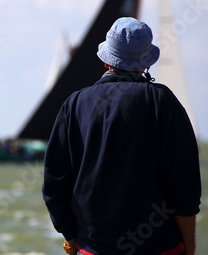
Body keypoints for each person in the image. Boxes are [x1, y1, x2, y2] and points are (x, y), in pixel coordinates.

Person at [42, 17, 201, 255]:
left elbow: (54, 183)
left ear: (107, 61)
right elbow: (184, 184)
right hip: (160, 248)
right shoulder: (162, 101)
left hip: (93, 248)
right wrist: (190, 248)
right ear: (145, 64)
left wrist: (71, 238)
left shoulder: (74, 104)